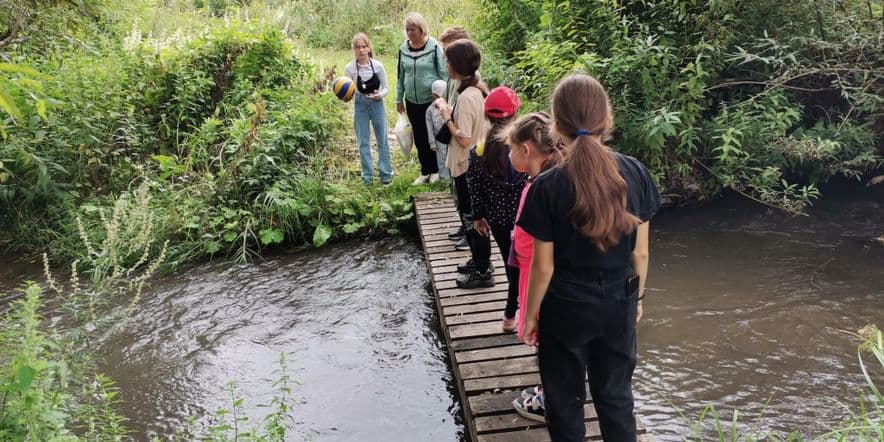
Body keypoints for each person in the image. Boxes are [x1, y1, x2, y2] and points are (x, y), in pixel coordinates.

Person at [517, 74, 661, 441]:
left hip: (565, 306)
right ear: (606, 118)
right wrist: (638, 298)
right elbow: (640, 252)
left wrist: (532, 314)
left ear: (556, 123)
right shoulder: (635, 173)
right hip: (618, 300)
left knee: (564, 403)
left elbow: (543, 266)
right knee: (616, 398)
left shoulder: (547, 186)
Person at [501, 111, 564, 422]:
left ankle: (549, 399)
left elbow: (529, 247)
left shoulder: (537, 188)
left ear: (526, 150)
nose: (509, 155)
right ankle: (562, 390)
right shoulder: (561, 178)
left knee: (544, 339)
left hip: (538, 276)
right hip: (566, 280)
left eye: (511, 149)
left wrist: (528, 312)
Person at [459, 86, 527, 312]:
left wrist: (478, 217)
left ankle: (513, 300)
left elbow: (474, 188)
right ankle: (526, 303)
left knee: (510, 260)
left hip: (496, 219)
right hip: (527, 218)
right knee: (530, 261)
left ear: (486, 115)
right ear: (516, 114)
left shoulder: (478, 151)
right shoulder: (527, 149)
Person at [433, 39, 491, 278]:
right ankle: (479, 261)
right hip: (474, 163)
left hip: (467, 165)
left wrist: (447, 116)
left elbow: (464, 138)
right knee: (472, 216)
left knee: (472, 219)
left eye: (448, 61)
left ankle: (482, 269)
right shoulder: (477, 88)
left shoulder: (467, 97)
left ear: (457, 65)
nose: (446, 65)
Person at [396, 12, 447, 185]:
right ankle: (425, 170)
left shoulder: (434, 47)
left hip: (431, 101)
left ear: (421, 28)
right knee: (418, 136)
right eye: (407, 29)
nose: (410, 33)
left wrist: (442, 98)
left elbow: (443, 74)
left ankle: (437, 170)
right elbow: (400, 76)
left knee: (431, 136)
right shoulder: (403, 49)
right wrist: (398, 98)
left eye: (413, 29)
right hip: (411, 100)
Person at [437, 26, 471, 247]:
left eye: (447, 49)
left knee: (467, 191)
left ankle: (472, 235)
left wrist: (447, 116)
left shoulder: (469, 81)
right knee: (458, 189)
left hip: (464, 143)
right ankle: (464, 225)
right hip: (454, 138)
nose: (443, 55)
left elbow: (466, 120)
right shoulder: (452, 75)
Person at [345, 33, 393, 185]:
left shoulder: (378, 66)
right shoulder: (350, 68)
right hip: (360, 104)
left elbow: (386, 88)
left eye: (364, 46)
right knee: (363, 141)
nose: (361, 50)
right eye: (358, 47)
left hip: (377, 103)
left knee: (382, 140)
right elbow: (347, 91)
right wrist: (346, 96)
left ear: (368, 48)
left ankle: (386, 176)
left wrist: (380, 95)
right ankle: (367, 178)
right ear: (353, 49)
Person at [426, 80, 450, 182]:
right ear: (433, 95)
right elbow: (429, 128)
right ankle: (444, 179)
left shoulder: (450, 105)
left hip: (451, 137)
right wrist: (432, 143)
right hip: (439, 140)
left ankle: (453, 178)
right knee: (442, 160)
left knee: (451, 157)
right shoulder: (430, 110)